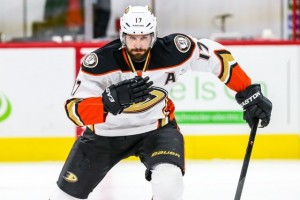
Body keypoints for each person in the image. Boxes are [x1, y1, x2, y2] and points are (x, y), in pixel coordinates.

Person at [49, 5, 272, 200]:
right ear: (122, 35)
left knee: (169, 185)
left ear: (153, 36)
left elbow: (216, 56)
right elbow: (73, 110)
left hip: (156, 130)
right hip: (104, 136)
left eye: (144, 37)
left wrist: (248, 91)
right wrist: (107, 103)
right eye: (132, 37)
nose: (138, 44)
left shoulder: (174, 50)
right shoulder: (99, 62)